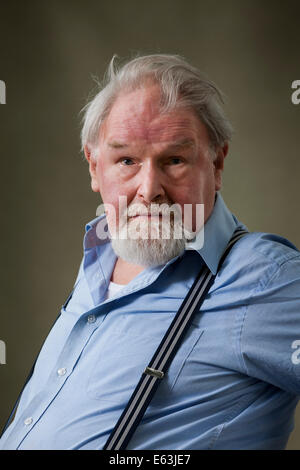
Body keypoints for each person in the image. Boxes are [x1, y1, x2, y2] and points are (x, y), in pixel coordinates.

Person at [1, 54, 300, 450]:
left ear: (218, 162)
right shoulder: (100, 255)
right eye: (126, 160)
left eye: (174, 160)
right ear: (94, 167)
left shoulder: (264, 278)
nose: (148, 190)